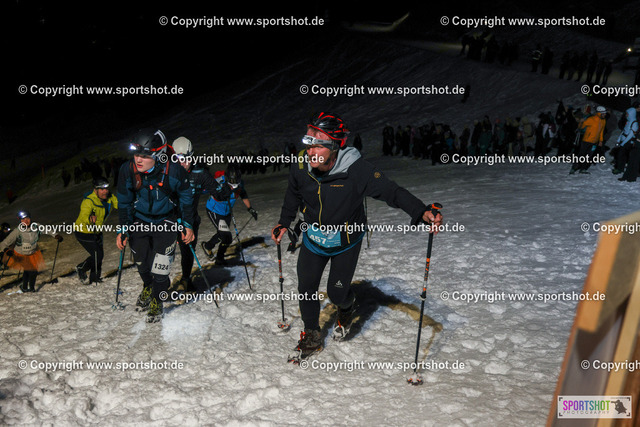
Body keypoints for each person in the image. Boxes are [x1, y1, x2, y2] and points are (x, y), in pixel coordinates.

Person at [271, 112, 443, 361]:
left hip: (346, 241)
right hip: (314, 240)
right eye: (309, 143)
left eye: (318, 145)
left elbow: (391, 191)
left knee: (336, 293)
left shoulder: (357, 170)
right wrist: (284, 222)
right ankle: (312, 335)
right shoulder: (300, 165)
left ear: (334, 146)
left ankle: (347, 306)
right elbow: (293, 194)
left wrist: (421, 211)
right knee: (306, 288)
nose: (310, 152)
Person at [116, 128, 195, 323]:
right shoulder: (127, 170)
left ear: (159, 155)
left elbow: (186, 197)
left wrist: (187, 223)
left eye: (145, 155)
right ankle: (148, 286)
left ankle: (157, 300)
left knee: (160, 268)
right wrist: (124, 228)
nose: (138, 159)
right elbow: (124, 201)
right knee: (141, 262)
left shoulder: (174, 170)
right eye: (136, 154)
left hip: (166, 221)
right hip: (140, 220)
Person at [170, 136, 221, 292]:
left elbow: (218, 192)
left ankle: (186, 279)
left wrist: (224, 189)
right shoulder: (166, 172)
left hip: (190, 220)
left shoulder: (199, 173)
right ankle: (157, 284)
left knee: (187, 251)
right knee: (164, 253)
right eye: (178, 160)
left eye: (186, 159)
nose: (183, 164)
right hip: (169, 220)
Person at [201, 165, 258, 265]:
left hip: (227, 212)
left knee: (224, 236)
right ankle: (219, 258)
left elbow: (243, 194)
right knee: (226, 236)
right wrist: (220, 191)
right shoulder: (219, 181)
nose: (233, 186)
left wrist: (250, 208)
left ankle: (209, 247)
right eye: (231, 183)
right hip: (214, 211)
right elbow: (204, 190)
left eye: (236, 183)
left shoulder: (240, 184)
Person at [0, 211, 63, 292]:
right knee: (33, 271)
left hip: (32, 253)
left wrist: (56, 235)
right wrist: (6, 250)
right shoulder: (17, 231)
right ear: (20, 221)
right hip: (20, 254)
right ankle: (32, 289)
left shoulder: (36, 226)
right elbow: (3, 243)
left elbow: (47, 230)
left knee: (27, 270)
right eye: (23, 219)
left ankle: (24, 287)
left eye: (27, 218)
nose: (26, 221)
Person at [74, 177, 118, 285]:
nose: (105, 191)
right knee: (97, 255)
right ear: (95, 190)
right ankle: (81, 267)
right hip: (83, 231)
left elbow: (119, 204)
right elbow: (84, 216)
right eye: (102, 189)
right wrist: (89, 219)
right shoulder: (88, 201)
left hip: (96, 230)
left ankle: (94, 278)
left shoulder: (109, 197)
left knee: (98, 255)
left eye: (106, 189)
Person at [570, 106, 608, 174]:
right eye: (603, 113)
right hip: (586, 141)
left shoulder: (603, 121)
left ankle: (583, 169)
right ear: (599, 113)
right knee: (581, 155)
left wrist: (600, 140)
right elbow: (581, 127)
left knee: (589, 156)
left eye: (605, 113)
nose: (605, 114)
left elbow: (601, 131)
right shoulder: (591, 119)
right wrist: (581, 122)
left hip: (594, 142)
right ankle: (573, 168)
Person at [613, 102, 640, 175]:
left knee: (622, 155)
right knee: (621, 155)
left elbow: (631, 135)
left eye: (627, 114)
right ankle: (619, 168)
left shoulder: (634, 123)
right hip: (624, 140)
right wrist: (619, 139)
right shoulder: (628, 121)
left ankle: (620, 168)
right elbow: (623, 131)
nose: (626, 115)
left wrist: (623, 143)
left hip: (628, 142)